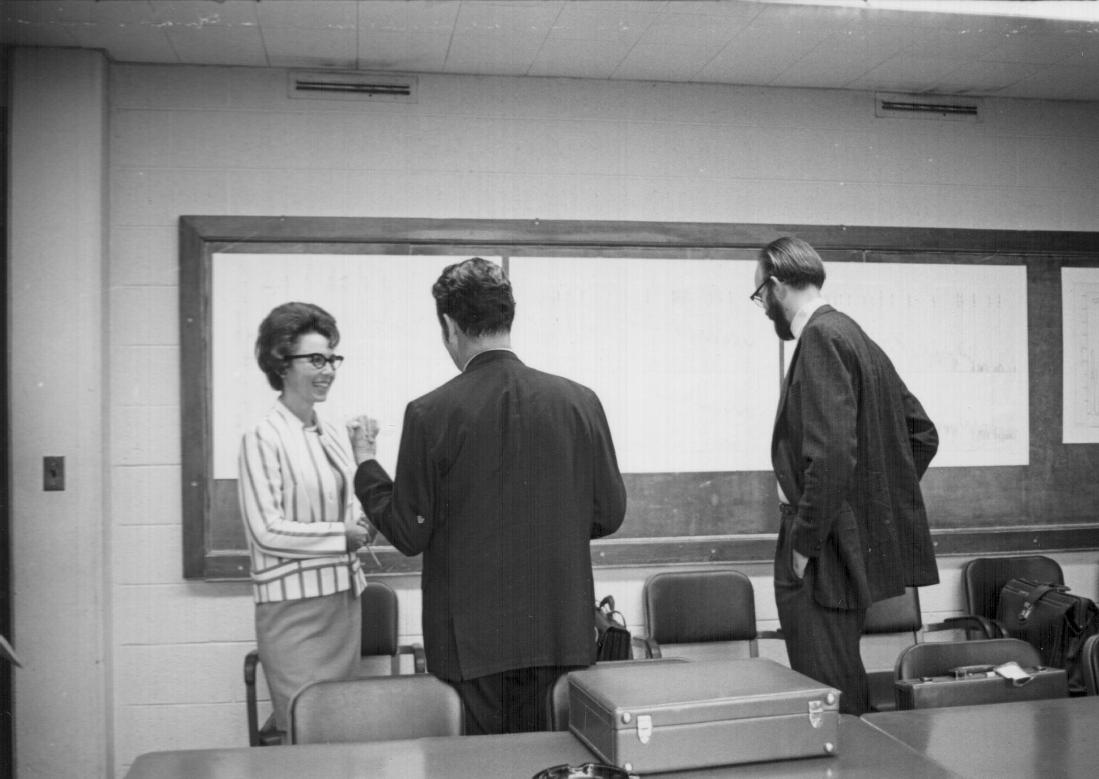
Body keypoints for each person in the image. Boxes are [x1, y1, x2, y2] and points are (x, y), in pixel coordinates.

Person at [349, 257, 627, 735]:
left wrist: (366, 467)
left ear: (449, 325)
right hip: (561, 634)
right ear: (508, 317)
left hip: (471, 647)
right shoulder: (580, 401)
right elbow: (609, 513)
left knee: (478, 764)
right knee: (556, 759)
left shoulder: (430, 413)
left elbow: (409, 532)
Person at [752, 237, 939, 715]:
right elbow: (921, 434)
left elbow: (833, 455)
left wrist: (805, 542)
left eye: (760, 295)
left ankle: (851, 757)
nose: (763, 307)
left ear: (777, 285)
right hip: (838, 542)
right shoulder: (855, 335)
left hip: (818, 546)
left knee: (827, 691)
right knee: (839, 677)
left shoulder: (820, 337)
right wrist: (866, 507)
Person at [238, 302, 372, 740]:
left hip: (343, 604)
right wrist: (341, 535)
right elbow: (266, 530)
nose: (328, 370)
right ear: (281, 363)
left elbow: (345, 509)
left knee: (342, 731)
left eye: (332, 359)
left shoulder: (330, 432)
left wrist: (363, 519)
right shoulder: (262, 436)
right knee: (305, 733)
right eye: (316, 359)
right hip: (294, 614)